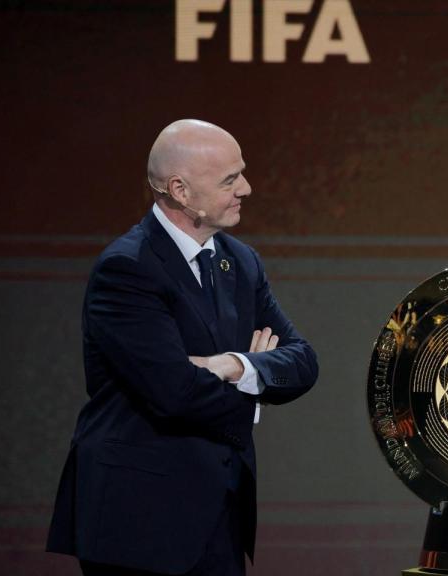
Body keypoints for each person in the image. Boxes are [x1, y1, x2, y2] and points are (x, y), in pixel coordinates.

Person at [47, 119, 319, 575]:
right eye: (230, 179)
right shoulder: (127, 269)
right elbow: (174, 391)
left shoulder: (242, 262)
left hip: (220, 511)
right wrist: (256, 381)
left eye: (242, 173)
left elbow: (303, 361)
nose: (247, 188)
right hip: (139, 519)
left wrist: (232, 365)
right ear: (180, 190)